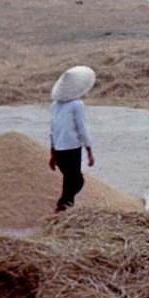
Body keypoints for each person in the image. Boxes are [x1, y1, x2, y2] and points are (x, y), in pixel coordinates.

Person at [48, 65, 96, 212]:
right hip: (72, 148)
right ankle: (62, 206)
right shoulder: (77, 104)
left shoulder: (55, 105)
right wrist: (89, 151)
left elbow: (53, 130)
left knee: (70, 180)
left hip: (59, 149)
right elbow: (82, 128)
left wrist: (53, 154)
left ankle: (65, 206)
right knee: (76, 181)